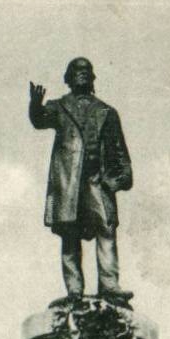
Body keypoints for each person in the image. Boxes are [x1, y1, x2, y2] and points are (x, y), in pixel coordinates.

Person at [28, 57, 133, 302]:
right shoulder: (59, 107)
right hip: (69, 183)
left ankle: (109, 286)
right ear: (67, 78)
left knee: (106, 229)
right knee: (70, 233)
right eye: (76, 71)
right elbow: (40, 120)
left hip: (98, 182)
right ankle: (74, 290)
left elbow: (119, 152)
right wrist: (34, 105)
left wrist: (116, 181)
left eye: (86, 71)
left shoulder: (106, 111)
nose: (82, 75)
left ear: (93, 77)